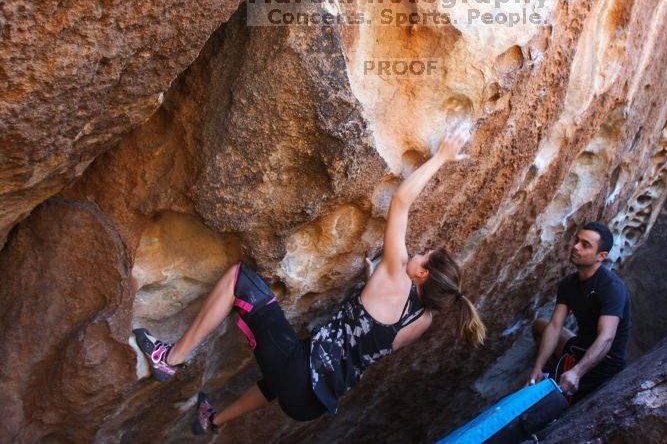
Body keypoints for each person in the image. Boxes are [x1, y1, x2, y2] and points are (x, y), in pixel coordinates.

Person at [133, 123, 486, 434]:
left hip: (300, 375)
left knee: (240, 279)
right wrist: (370, 284)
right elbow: (369, 333)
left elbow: (401, 202)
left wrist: (442, 156)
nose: (417, 253)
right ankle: (213, 421)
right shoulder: (422, 320)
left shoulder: (398, 273)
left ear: (422, 274)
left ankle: (170, 358)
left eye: (423, 257)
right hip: (311, 405)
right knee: (285, 368)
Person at [527, 222, 631, 403]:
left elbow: (606, 338)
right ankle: (549, 373)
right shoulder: (569, 284)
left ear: (601, 256)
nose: (575, 246)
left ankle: (562, 379)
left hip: (603, 361)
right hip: (578, 347)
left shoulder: (611, 287)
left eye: (585, 245)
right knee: (540, 325)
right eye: (577, 240)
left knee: (538, 403)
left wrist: (576, 372)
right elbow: (555, 326)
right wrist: (537, 367)